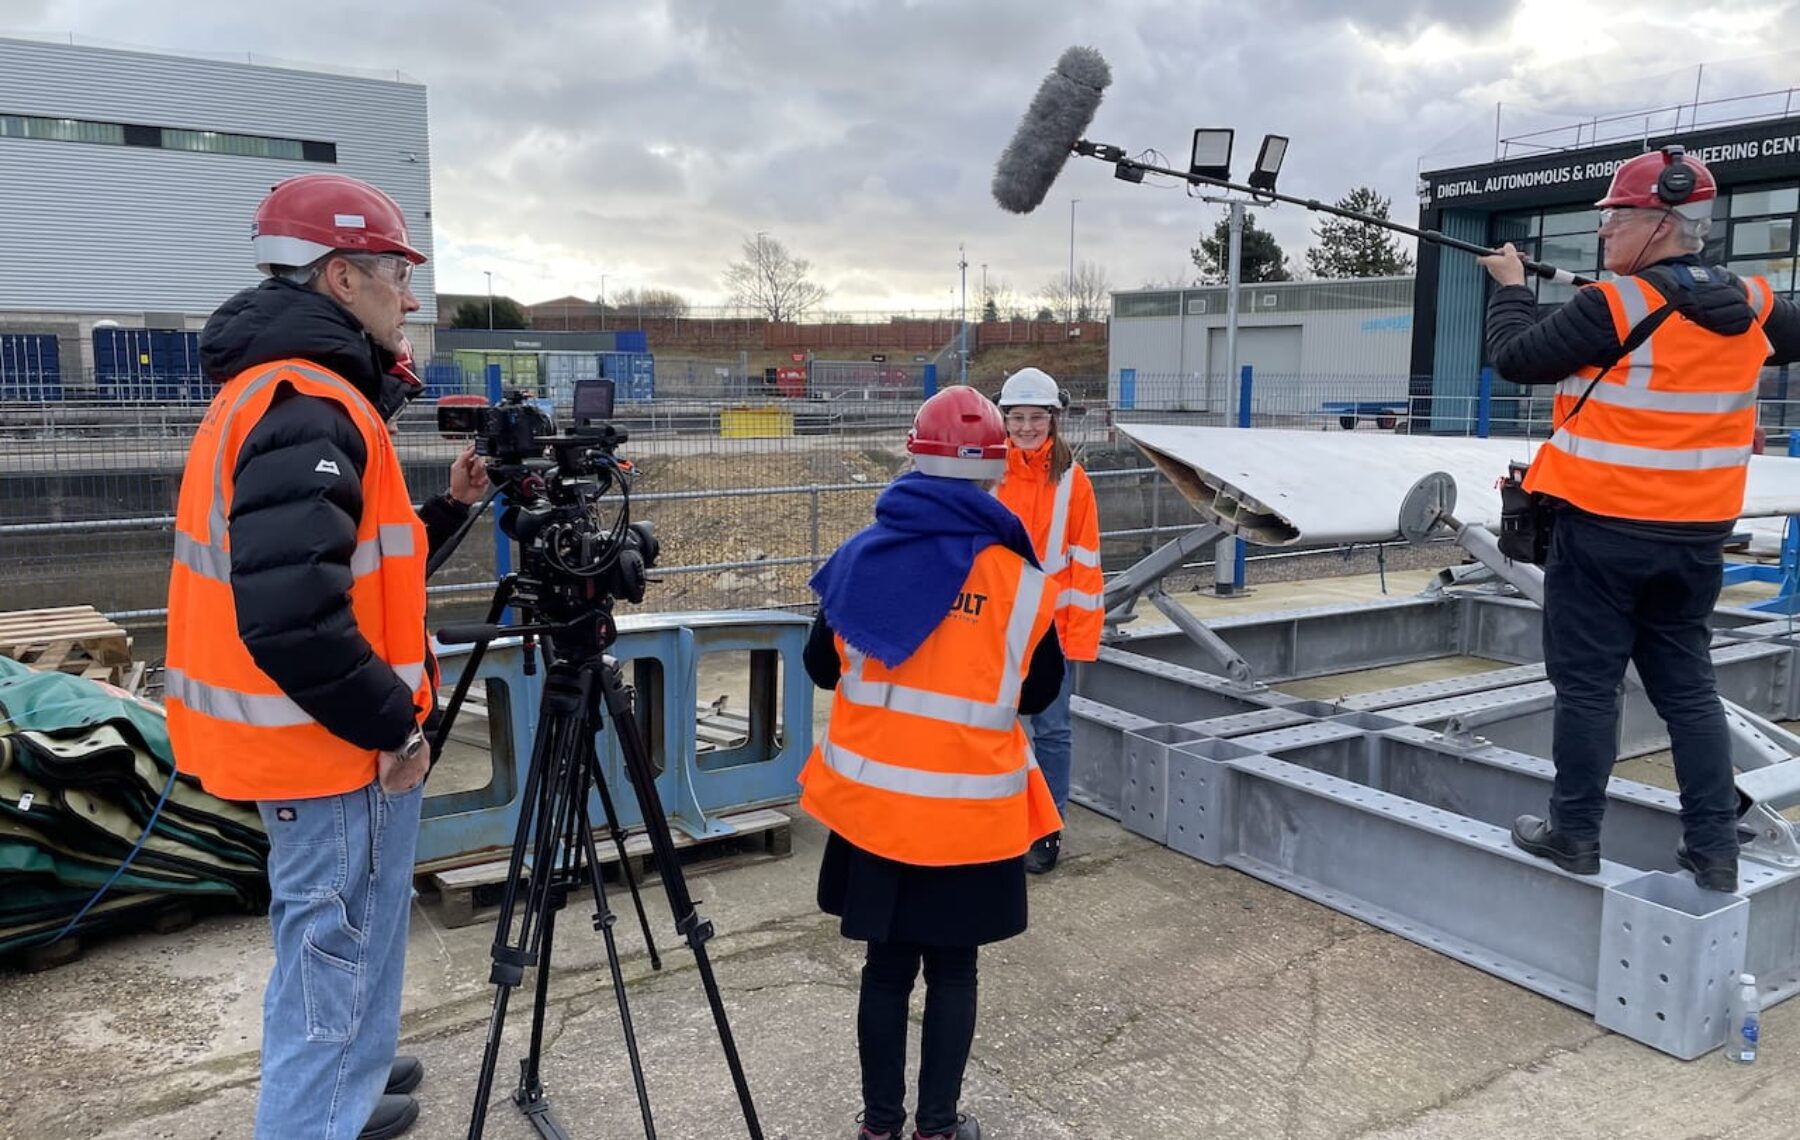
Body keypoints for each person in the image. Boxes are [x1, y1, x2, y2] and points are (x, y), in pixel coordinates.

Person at [164, 172, 489, 1140]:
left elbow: (355, 569)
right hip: (329, 750)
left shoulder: (290, 394)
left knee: (351, 942)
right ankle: (314, 1116)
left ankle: (352, 1081)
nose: (410, 298)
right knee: (329, 962)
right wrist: (396, 728)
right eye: (397, 274)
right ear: (342, 278)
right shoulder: (307, 404)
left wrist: (452, 508)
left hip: (321, 744)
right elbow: (296, 617)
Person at [1477, 146, 1800, 893]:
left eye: (1615, 218)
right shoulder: (1755, 304)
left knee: (1589, 689)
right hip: (1698, 538)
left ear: (1659, 222)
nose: (1603, 232)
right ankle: (1714, 850)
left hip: (1602, 533)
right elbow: (1710, 322)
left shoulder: (1612, 307)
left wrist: (1513, 288)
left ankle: (1574, 834)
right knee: (1687, 689)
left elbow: (1515, 357)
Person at [800, 385, 1066, 1140]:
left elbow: (821, 666)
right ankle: (939, 1128)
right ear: (995, 473)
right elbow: (1039, 691)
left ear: (913, 460)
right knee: (954, 971)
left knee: (886, 971)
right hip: (970, 814)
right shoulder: (1020, 582)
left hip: (876, 811)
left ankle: (879, 1127)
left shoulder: (862, 557)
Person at [993, 366, 1103, 874]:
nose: (1027, 427)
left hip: (1050, 632)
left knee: (1053, 731)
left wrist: (1079, 639)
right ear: (1004, 419)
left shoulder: (1073, 482)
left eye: (1037, 417)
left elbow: (1085, 563)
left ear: (1053, 419)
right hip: (995, 627)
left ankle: (1047, 828)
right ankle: (997, 816)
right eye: (1017, 417)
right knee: (994, 727)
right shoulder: (987, 474)